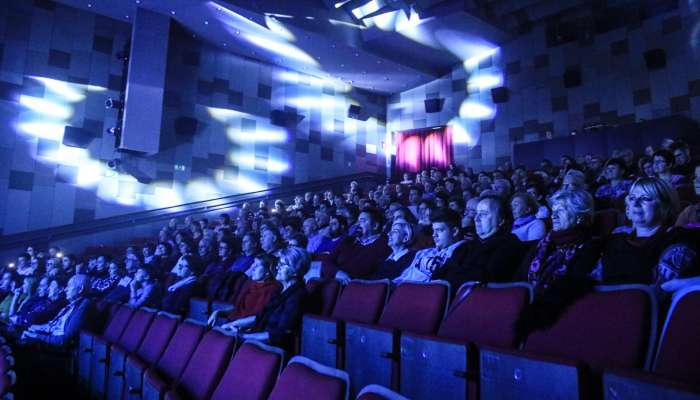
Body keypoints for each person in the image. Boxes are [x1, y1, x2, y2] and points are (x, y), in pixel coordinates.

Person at [515, 189, 603, 340]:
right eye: (553, 210)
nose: (553, 215)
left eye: (561, 210)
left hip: (561, 322)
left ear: (580, 216)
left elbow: (572, 290)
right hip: (526, 314)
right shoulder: (542, 244)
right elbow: (519, 280)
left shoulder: (591, 247)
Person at [597, 178, 698, 294]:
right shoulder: (613, 241)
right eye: (632, 198)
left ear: (665, 207)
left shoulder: (678, 241)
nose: (635, 203)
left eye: (645, 198)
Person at [220, 247, 309, 345]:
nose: (277, 268)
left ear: (296, 271)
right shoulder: (280, 290)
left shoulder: (297, 297)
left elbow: (278, 335)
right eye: (278, 264)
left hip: (271, 348)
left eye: (282, 265)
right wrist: (231, 324)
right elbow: (258, 317)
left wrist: (242, 336)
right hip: (257, 339)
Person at [433, 195, 525, 288]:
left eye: (483, 214)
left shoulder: (511, 245)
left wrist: (453, 275)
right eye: (476, 213)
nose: (476, 219)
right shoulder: (465, 246)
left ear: (501, 220)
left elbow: (486, 277)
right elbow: (437, 275)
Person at [394, 209, 467, 283]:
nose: (434, 235)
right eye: (433, 230)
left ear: (454, 231)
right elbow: (403, 277)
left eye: (439, 230)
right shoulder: (423, 252)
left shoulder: (463, 254)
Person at [21, 274, 94, 348]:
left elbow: (64, 340)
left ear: (80, 289)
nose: (66, 289)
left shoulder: (83, 307)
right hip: (50, 339)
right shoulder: (70, 306)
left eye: (69, 286)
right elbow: (52, 326)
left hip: (56, 350)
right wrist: (35, 328)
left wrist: (37, 336)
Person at [208, 253, 281, 326]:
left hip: (246, 330)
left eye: (257, 265)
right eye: (253, 264)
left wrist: (232, 324)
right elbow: (238, 310)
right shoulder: (251, 284)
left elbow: (257, 318)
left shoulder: (272, 289)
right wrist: (218, 312)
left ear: (268, 272)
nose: (253, 268)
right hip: (233, 324)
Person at [322, 208, 390, 281]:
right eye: (358, 221)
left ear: (375, 225)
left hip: (355, 285)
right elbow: (327, 260)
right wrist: (337, 272)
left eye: (363, 221)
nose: (358, 224)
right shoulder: (349, 240)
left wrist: (346, 275)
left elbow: (367, 270)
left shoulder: (384, 244)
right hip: (334, 280)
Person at [675, 162, 700, 228]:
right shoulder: (690, 210)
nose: (696, 180)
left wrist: (691, 225)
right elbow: (676, 230)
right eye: (695, 176)